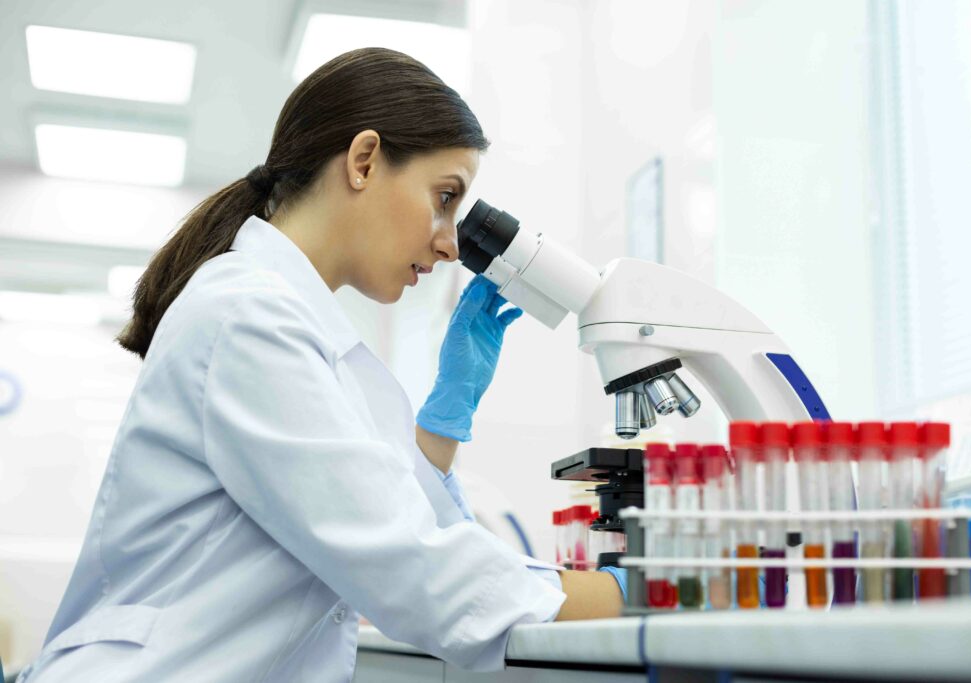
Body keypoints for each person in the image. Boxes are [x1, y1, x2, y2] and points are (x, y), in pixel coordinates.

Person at [16, 48, 621, 683]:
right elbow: (411, 567)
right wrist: (634, 591)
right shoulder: (248, 317)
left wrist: (448, 414)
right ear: (363, 162)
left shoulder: (290, 321)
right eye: (444, 197)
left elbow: (393, 520)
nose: (449, 241)